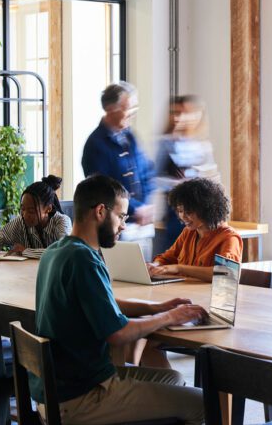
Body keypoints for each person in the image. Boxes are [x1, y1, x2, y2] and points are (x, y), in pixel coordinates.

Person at [33, 174, 206, 425]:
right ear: (100, 211)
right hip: (82, 397)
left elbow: (106, 301)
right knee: (201, 406)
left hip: (58, 389)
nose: (124, 225)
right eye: (121, 216)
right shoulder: (84, 259)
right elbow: (117, 333)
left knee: (173, 379)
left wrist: (157, 305)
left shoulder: (59, 251)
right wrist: (167, 318)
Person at [80, 82, 156, 229]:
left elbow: (146, 170)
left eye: (135, 107)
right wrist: (134, 209)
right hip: (113, 226)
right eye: (128, 108)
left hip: (140, 223)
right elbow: (102, 188)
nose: (133, 113)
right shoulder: (95, 144)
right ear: (110, 109)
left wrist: (145, 206)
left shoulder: (130, 136)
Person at [155, 95, 218, 251]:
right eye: (176, 112)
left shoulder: (203, 146)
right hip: (176, 215)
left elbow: (214, 179)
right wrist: (179, 184)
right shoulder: (166, 144)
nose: (180, 117)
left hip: (201, 215)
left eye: (186, 112)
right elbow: (154, 178)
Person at [149, 177, 241, 283]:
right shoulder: (188, 232)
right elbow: (167, 258)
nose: (183, 216)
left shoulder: (228, 237)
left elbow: (226, 273)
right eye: (180, 210)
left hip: (207, 296)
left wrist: (180, 268)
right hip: (183, 292)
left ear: (206, 209)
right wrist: (155, 265)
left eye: (188, 211)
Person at [0, 175, 71, 256]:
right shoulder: (20, 223)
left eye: (31, 211)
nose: (25, 215)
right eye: (23, 209)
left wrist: (26, 251)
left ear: (48, 209)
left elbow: (64, 251)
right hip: (25, 275)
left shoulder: (62, 221)